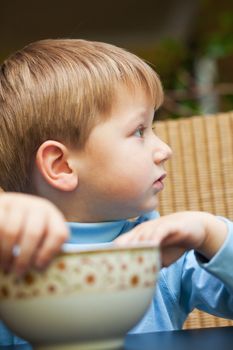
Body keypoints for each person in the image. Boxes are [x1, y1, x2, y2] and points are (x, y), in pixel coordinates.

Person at [0, 38, 232, 346]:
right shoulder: (9, 268)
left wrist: (210, 233)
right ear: (62, 166)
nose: (165, 149)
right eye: (139, 131)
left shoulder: (164, 253)